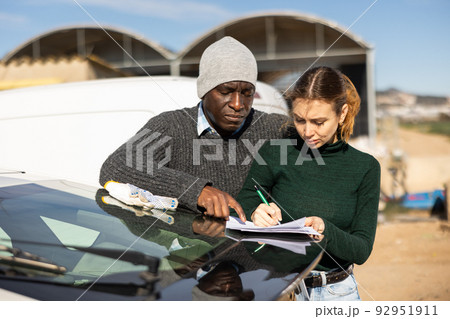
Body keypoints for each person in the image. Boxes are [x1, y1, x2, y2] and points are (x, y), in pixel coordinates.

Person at [99, 36, 289, 222]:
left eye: (247, 94)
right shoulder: (170, 125)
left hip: (259, 251)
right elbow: (116, 166)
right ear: (204, 90)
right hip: (192, 253)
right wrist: (195, 190)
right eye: (226, 92)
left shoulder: (274, 127)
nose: (238, 104)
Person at [236, 66, 381, 301]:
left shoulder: (366, 167)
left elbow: (361, 250)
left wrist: (326, 230)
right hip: (278, 290)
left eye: (318, 122)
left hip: (337, 294)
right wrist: (255, 212)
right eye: (299, 120)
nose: (307, 131)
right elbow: (246, 199)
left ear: (342, 113)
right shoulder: (274, 152)